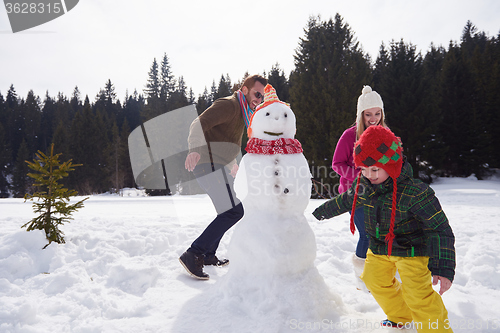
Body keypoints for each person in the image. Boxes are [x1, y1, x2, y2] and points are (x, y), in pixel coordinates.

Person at [313, 126, 455, 332]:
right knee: (373, 280)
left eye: (374, 169)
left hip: (412, 250)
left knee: (418, 296)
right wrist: (319, 212)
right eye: (363, 169)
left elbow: (439, 229)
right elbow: (347, 199)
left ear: (392, 164)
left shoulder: (415, 192)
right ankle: (400, 315)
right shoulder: (365, 184)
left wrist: (443, 268)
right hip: (379, 247)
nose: (368, 175)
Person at [179, 74, 268, 280]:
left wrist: (231, 163)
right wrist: (194, 150)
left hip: (218, 166)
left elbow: (224, 140)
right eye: (256, 94)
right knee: (233, 212)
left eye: (261, 97)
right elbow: (198, 124)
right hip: (207, 165)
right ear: (244, 90)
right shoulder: (229, 105)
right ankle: (194, 254)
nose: (259, 99)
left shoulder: (244, 113)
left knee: (225, 211)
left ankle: (209, 255)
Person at [331, 85, 387, 291]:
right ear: (360, 115)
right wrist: (361, 175)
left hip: (381, 194)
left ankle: (380, 273)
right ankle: (362, 278)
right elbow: (337, 164)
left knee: (382, 233)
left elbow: (392, 163)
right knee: (368, 234)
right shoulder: (350, 135)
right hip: (356, 194)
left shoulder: (385, 134)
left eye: (377, 113)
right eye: (368, 114)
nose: (373, 118)